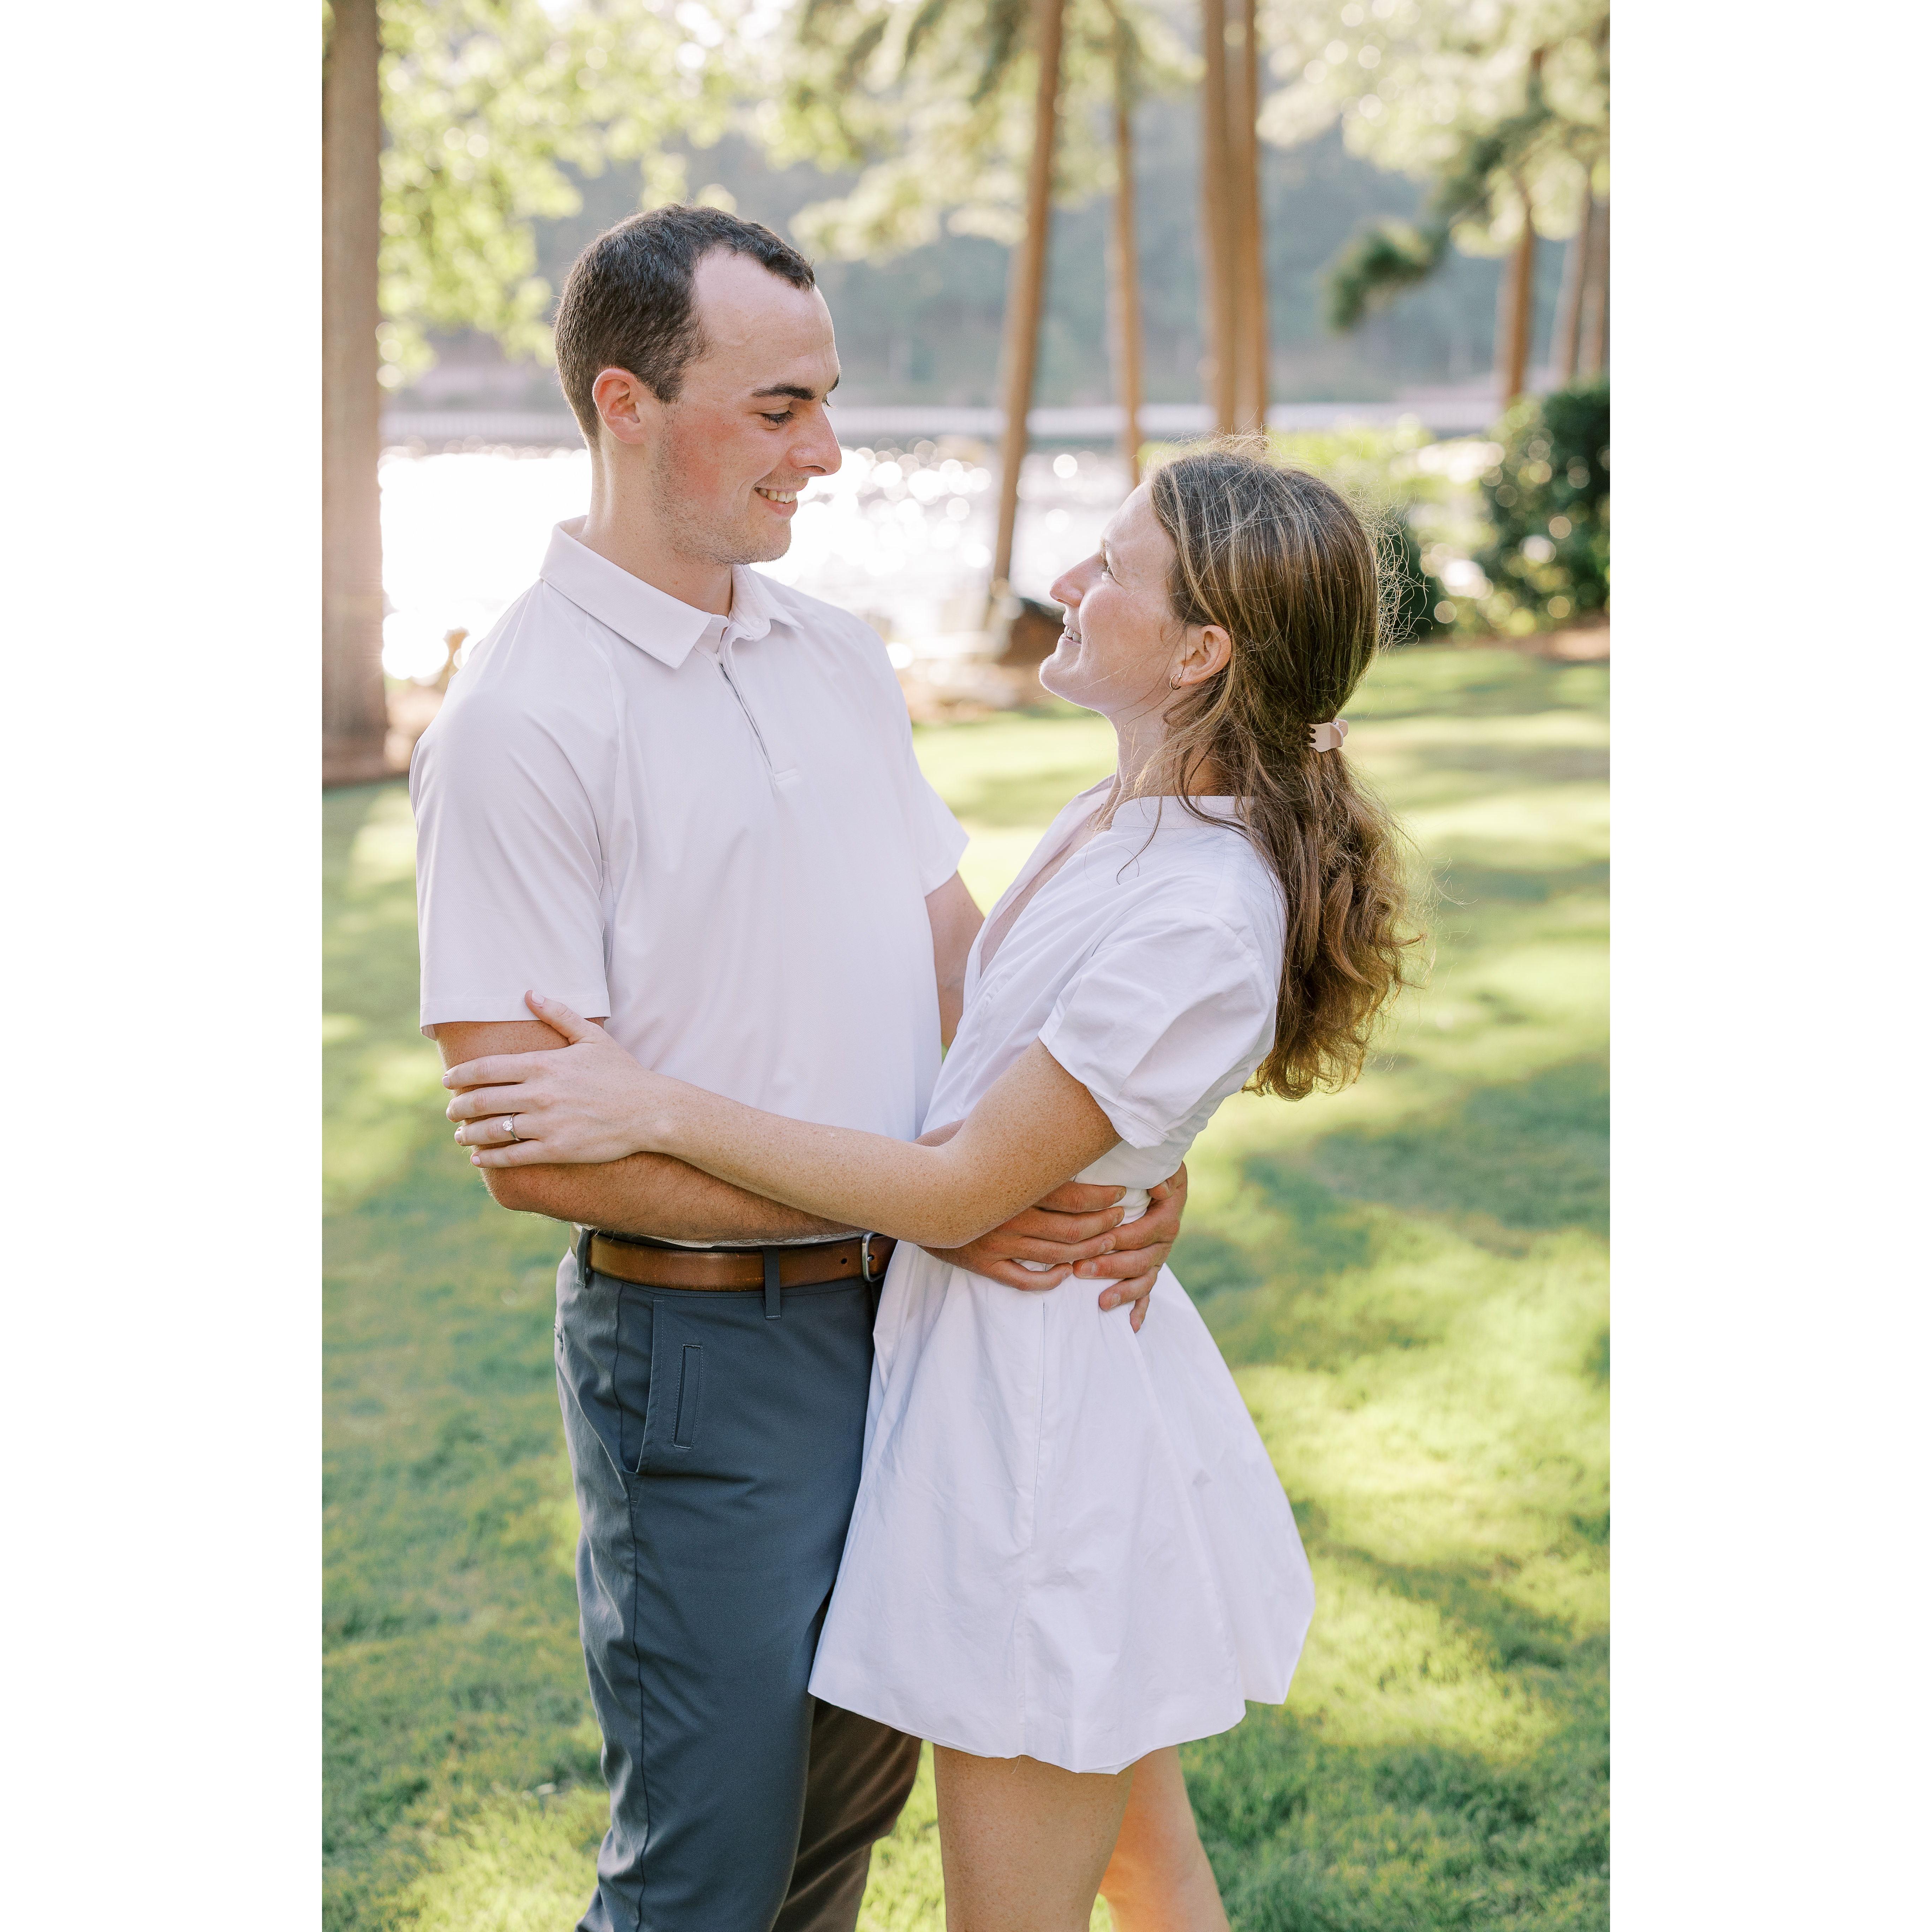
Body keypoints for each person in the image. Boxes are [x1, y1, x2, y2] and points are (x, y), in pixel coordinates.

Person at [444, 443, 1423, 1930]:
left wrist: (654, 1101)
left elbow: (966, 1186)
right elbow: (1011, 1059)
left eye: (1114, 569)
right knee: (1148, 1859)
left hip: (1036, 1440)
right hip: (1002, 1368)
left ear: (1203, 652)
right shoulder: (1124, 820)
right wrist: (1137, 1167)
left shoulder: (1199, 905)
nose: (1067, 582)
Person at [409, 204, 1193, 1932]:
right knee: (711, 1873)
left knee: (841, 1827)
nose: (824, 453)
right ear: (625, 405)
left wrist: (1117, 1152)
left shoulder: (834, 655)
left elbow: (963, 968)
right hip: (705, 1358)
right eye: (778, 410)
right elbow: (539, 1151)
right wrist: (943, 1208)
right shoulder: (520, 722)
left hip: (913, 1330)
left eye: (825, 401)